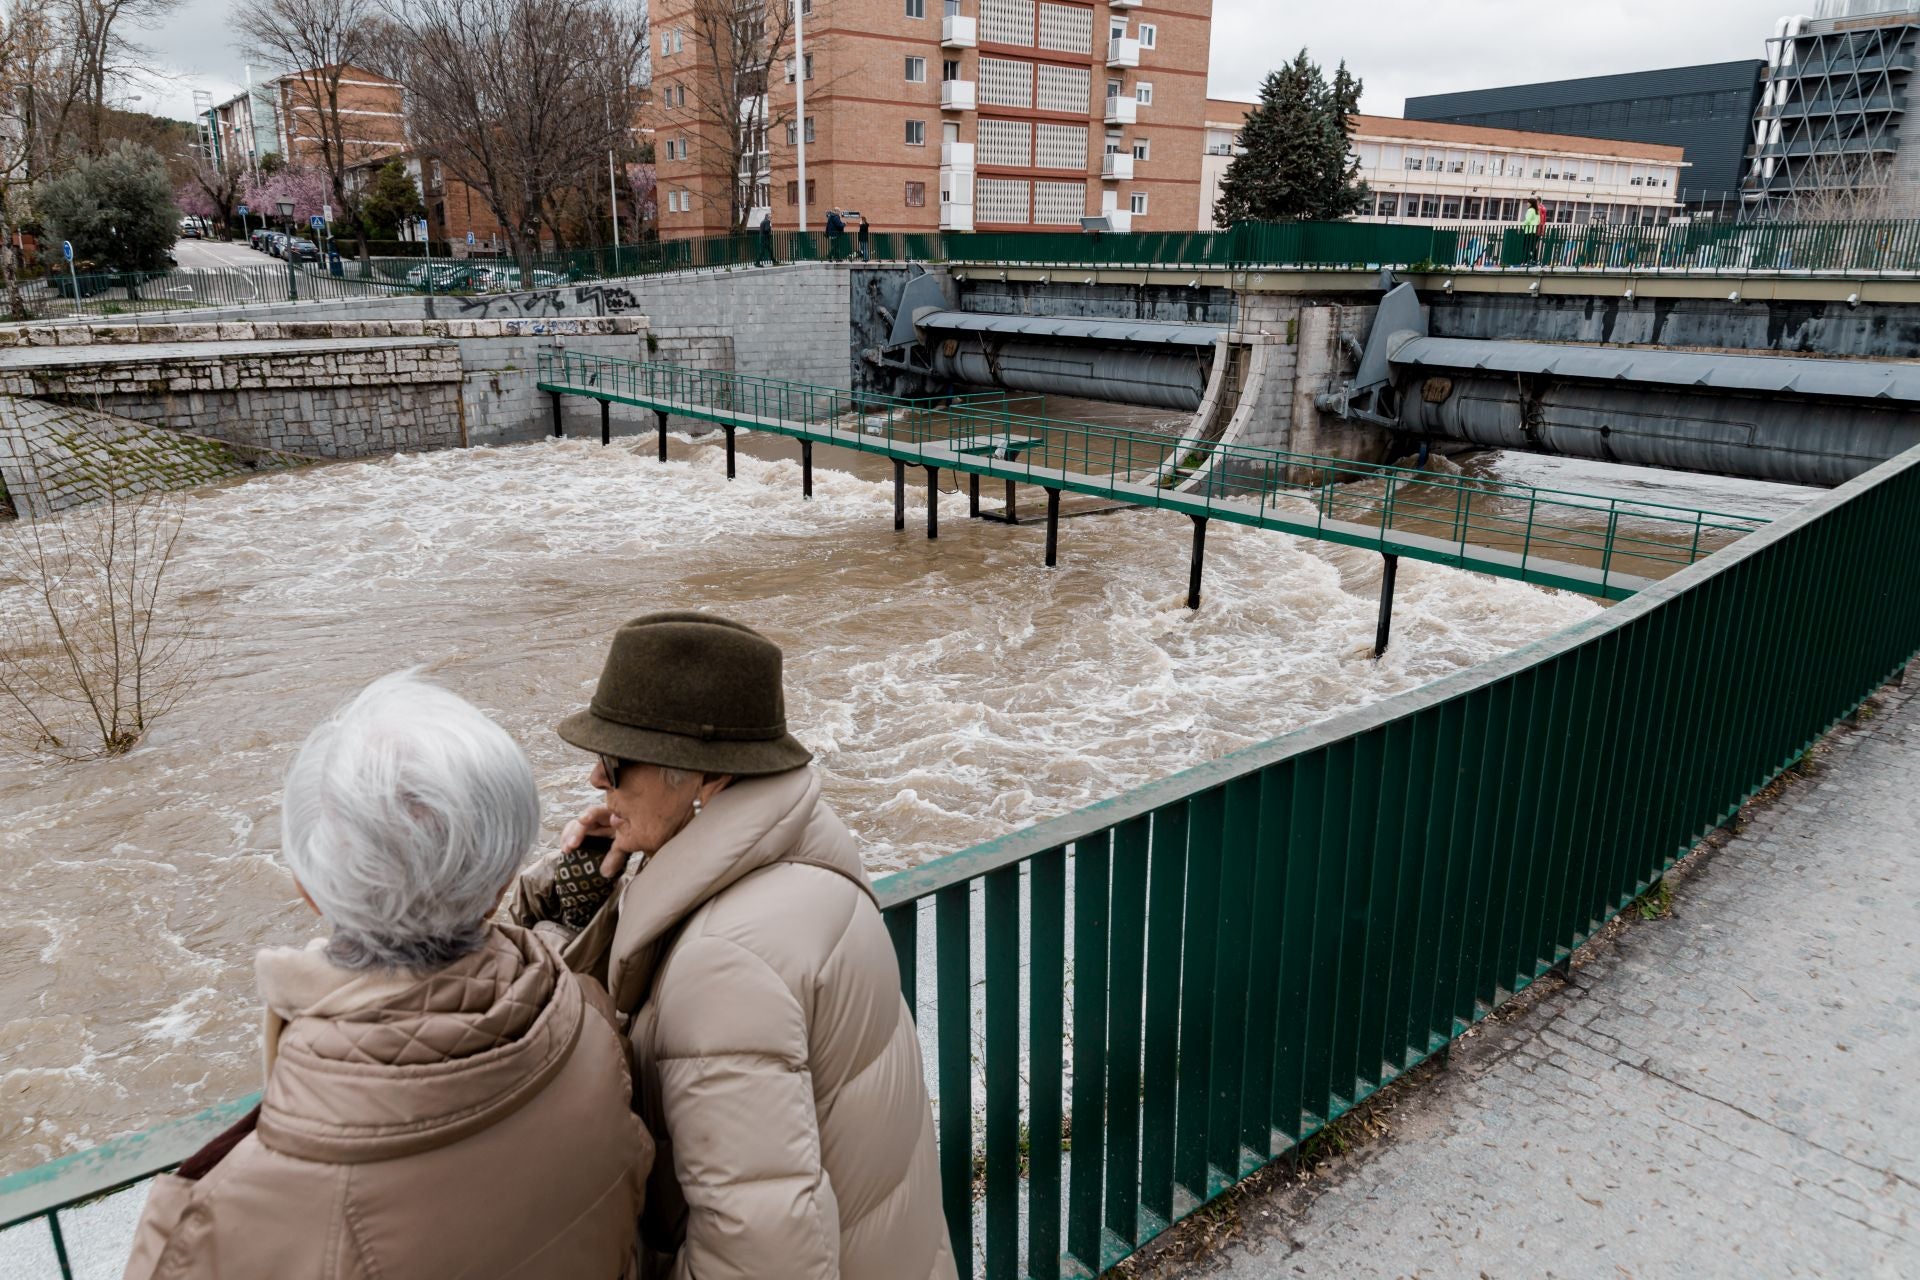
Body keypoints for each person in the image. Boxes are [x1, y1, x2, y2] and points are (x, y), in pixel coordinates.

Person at [123, 673, 652, 1280]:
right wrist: (566, 907)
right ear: (502, 882)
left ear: (307, 886)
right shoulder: (585, 1022)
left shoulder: (228, 1216)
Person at [511, 613, 956, 1280]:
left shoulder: (725, 962)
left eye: (615, 762)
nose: (596, 782)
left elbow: (763, 1257)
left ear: (704, 780)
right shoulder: (804, 862)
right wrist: (582, 897)